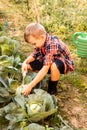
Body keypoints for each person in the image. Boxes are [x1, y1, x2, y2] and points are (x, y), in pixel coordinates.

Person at [22, 23, 75, 95]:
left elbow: (45, 69)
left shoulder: (52, 44)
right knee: (29, 65)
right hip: (49, 59)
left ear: (42, 37)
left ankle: (52, 90)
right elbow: (34, 54)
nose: (34, 46)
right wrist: (25, 62)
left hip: (63, 62)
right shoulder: (41, 41)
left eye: (34, 43)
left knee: (54, 65)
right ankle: (36, 81)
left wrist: (30, 86)